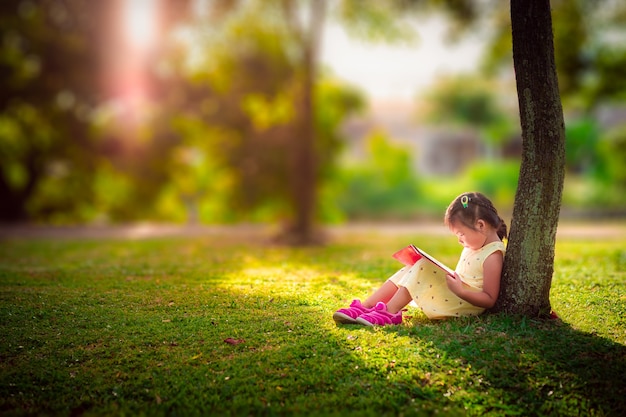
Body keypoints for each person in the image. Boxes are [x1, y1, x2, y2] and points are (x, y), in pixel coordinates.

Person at [333, 192, 507, 326]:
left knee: (423, 265)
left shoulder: (492, 256)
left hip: (464, 303)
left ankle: (390, 312)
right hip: (456, 295)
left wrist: (460, 291)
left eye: (461, 234)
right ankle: (367, 306)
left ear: (481, 225)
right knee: (413, 265)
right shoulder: (475, 245)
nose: (459, 240)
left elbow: (490, 299)